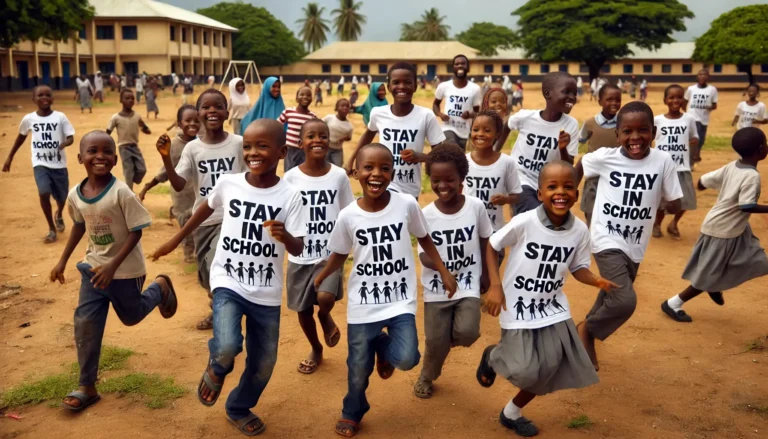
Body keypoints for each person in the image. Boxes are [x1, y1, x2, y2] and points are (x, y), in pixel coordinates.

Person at [152, 119, 304, 436]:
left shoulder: (291, 196)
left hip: (266, 291)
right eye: (247, 146)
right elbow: (205, 209)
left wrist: (286, 236)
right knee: (226, 347)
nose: (253, 152)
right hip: (229, 281)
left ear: (282, 151)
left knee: (265, 364)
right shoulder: (229, 183)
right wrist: (176, 240)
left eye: (262, 146)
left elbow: (300, 245)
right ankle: (218, 366)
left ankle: (238, 406)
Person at [314, 143, 457, 438]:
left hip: (399, 300)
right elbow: (340, 253)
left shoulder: (406, 205)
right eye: (368, 168)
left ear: (393, 172)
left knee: (407, 358)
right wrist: (324, 274)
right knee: (357, 370)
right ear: (357, 172)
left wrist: (443, 270)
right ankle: (353, 410)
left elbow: (425, 238)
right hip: (363, 303)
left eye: (384, 168)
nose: (376, 174)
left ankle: (382, 347)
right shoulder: (349, 216)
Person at [477, 161, 613, 437]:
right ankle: (494, 356)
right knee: (527, 371)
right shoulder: (525, 221)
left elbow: (578, 268)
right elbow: (492, 244)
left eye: (568, 187)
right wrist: (495, 285)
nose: (560, 192)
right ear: (540, 194)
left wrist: (595, 280)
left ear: (576, 193)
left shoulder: (579, 231)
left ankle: (511, 412)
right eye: (552, 187)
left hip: (552, 308)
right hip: (518, 307)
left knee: (549, 367)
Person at [51, 130, 178, 412]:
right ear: (80, 157)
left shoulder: (122, 192)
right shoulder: (76, 194)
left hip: (126, 271)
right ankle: (87, 385)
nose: (100, 157)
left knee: (131, 317)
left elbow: (136, 232)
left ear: (115, 158)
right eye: (93, 151)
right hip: (93, 270)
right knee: (86, 324)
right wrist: (62, 261)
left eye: (107, 152)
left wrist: (113, 265)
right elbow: (79, 226)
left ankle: (159, 288)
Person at [574, 102, 683, 371]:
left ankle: (579, 338)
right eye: (627, 131)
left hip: (636, 243)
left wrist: (672, 205)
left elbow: (674, 200)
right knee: (624, 299)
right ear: (617, 134)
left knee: (610, 294)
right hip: (605, 237)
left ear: (654, 131)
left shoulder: (663, 161)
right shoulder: (605, 157)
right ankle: (586, 330)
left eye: (642, 130)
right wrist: (568, 193)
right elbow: (581, 164)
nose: (635, 138)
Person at [157, 89, 245, 330]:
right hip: (203, 220)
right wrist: (166, 158)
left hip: (232, 219)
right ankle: (217, 306)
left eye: (218, 106)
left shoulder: (238, 143)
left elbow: (251, 176)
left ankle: (226, 313)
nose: (212, 111)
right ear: (199, 114)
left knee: (219, 261)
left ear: (227, 112)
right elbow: (179, 183)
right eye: (206, 107)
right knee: (206, 273)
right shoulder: (193, 149)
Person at [662, 128, 768, 323]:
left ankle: (715, 283)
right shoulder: (752, 176)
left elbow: (706, 180)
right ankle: (673, 303)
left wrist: (702, 184)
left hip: (735, 230)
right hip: (722, 231)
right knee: (706, 276)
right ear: (761, 149)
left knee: (758, 260)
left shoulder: (734, 166)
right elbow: (747, 206)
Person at [413, 144, 493, 399]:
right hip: (437, 289)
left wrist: (486, 274)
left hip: (468, 282)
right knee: (435, 341)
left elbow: (485, 240)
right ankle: (427, 376)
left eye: (450, 179)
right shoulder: (426, 215)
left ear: (462, 179)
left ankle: (441, 346)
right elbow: (423, 254)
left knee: (468, 332)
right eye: (436, 180)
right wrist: (443, 271)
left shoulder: (476, 207)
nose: (442, 185)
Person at [285, 119, 354, 374]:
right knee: (302, 310)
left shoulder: (338, 176)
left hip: (329, 254)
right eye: (311, 136)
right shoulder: (290, 177)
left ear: (329, 141)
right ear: (300, 143)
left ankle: (325, 315)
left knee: (324, 297)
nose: (317, 140)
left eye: (323, 136)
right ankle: (315, 347)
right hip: (300, 255)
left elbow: (348, 212)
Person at [345, 62, 445, 199]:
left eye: (407, 82)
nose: (402, 86)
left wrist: (421, 157)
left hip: (409, 188)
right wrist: (351, 159)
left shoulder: (425, 116)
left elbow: (441, 155)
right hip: (381, 182)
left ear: (415, 86)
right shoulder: (378, 113)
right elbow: (367, 136)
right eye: (396, 82)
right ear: (389, 87)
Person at [495, 72, 579, 215]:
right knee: (534, 214)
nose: (571, 97)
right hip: (520, 178)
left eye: (574, 93)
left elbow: (569, 164)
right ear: (548, 94)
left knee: (547, 220)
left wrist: (563, 149)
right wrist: (495, 152)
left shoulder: (571, 124)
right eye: (566, 92)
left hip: (548, 185)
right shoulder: (526, 117)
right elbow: (507, 125)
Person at [3, 85, 74, 243]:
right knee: (43, 192)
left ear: (52, 98)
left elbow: (71, 137)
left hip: (59, 164)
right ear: (33, 99)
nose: (44, 98)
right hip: (40, 162)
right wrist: (10, 157)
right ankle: (51, 229)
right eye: (40, 95)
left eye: (48, 95)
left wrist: (63, 144)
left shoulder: (60, 117)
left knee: (62, 198)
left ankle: (59, 214)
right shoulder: (29, 119)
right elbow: (20, 138)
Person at [139, 105, 200, 262]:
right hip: (182, 196)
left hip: (200, 196)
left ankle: (200, 253)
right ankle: (189, 255)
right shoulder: (173, 146)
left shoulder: (203, 144)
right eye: (188, 120)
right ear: (179, 124)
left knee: (201, 226)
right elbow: (164, 172)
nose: (192, 123)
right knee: (186, 227)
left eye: (196, 120)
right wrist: (147, 187)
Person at [653, 85, 700, 239]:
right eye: (671, 97)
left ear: (683, 100)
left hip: (682, 167)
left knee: (685, 200)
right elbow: (649, 139)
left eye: (679, 97)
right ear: (665, 100)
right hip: (662, 168)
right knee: (661, 202)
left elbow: (694, 138)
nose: (675, 100)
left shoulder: (689, 119)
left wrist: (692, 153)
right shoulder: (657, 120)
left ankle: (673, 223)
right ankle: (657, 224)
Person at [465, 110, 521, 234]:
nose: (480, 134)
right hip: (468, 229)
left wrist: (505, 199)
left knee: (495, 254)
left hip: (495, 230)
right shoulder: (463, 161)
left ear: (497, 134)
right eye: (475, 129)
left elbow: (517, 196)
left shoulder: (507, 162)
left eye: (487, 130)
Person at [578, 84, 621, 227]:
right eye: (609, 99)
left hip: (616, 176)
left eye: (617, 100)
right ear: (600, 101)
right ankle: (591, 231)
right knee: (590, 207)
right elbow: (581, 140)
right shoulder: (590, 123)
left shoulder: (623, 124)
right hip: (594, 174)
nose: (614, 103)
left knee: (614, 208)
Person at [433, 54, 482, 151]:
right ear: (453, 68)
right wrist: (440, 114)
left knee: (459, 157)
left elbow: (478, 113)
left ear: (468, 68)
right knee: (451, 145)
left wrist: (469, 115)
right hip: (448, 127)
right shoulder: (444, 86)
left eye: (463, 63)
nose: (460, 65)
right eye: (457, 64)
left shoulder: (475, 89)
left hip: (464, 131)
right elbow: (435, 104)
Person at [106, 89, 151, 191]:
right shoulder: (116, 118)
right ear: (121, 100)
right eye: (127, 98)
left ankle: (132, 181)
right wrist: (106, 145)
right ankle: (129, 194)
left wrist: (146, 130)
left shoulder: (136, 116)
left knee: (142, 169)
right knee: (128, 171)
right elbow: (108, 132)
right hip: (124, 147)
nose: (130, 100)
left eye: (132, 98)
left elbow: (143, 126)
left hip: (134, 146)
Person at [278, 86, 317, 171]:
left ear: (311, 99)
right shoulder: (288, 112)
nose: (305, 97)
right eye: (302, 94)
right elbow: (277, 125)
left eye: (308, 95)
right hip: (289, 149)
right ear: (296, 98)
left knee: (303, 172)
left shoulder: (312, 117)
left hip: (305, 150)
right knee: (289, 172)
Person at [684, 69, 718, 163]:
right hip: (693, 116)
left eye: (705, 74)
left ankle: (696, 154)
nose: (702, 76)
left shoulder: (712, 90)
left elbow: (715, 105)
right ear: (697, 77)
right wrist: (686, 113)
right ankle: (693, 157)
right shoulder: (691, 89)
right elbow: (684, 101)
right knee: (695, 137)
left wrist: (709, 107)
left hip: (704, 118)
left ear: (708, 77)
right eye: (700, 74)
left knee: (701, 139)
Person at [323, 99, 354, 167]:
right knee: (322, 166)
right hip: (325, 147)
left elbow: (349, 137)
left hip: (337, 150)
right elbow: (320, 125)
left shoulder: (349, 126)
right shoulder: (329, 118)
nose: (345, 108)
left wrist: (345, 138)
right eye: (342, 105)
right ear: (336, 108)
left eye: (347, 106)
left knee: (337, 167)